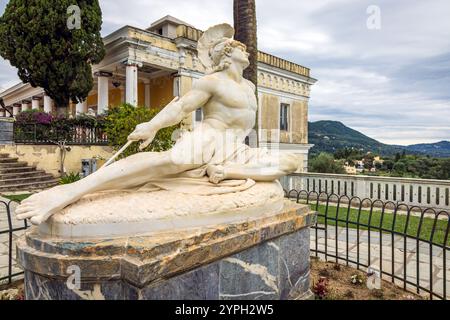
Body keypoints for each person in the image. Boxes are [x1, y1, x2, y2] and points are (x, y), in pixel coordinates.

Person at [16, 24, 298, 225]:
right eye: (240, 47)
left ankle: (224, 172)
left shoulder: (249, 86)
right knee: (168, 161)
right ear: (227, 54)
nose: (246, 50)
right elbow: (181, 108)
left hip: (236, 148)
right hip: (210, 138)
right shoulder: (212, 81)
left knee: (289, 162)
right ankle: (72, 191)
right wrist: (152, 126)